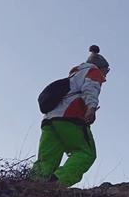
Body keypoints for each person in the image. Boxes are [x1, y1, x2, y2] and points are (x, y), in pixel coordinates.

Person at [30, 45, 109, 187]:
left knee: (47, 158)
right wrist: (91, 108)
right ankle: (57, 183)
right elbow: (90, 88)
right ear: (101, 67)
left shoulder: (74, 76)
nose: (106, 75)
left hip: (49, 119)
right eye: (106, 71)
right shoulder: (93, 71)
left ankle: (33, 185)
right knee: (86, 153)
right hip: (70, 117)